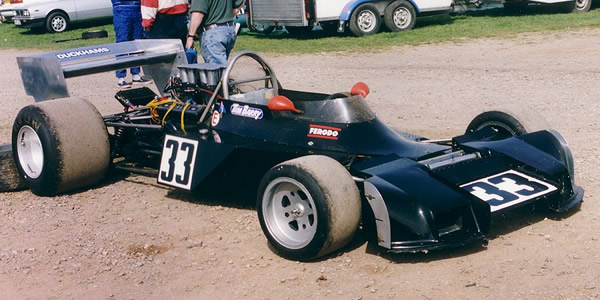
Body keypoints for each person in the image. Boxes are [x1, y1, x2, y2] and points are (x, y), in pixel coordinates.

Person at [186, 0, 244, 65]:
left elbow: (198, 13)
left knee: (216, 71)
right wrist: (227, 16)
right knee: (221, 68)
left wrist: (190, 37)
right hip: (228, 30)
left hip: (213, 34)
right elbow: (240, 3)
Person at [111, 0, 150, 88]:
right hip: (121, 7)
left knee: (136, 43)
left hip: (137, 8)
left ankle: (136, 75)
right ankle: (121, 77)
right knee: (122, 43)